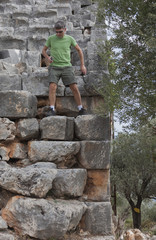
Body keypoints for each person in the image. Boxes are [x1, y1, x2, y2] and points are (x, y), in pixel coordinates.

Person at [42, 20, 87, 116]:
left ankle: (80, 108)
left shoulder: (70, 39)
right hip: (54, 67)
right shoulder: (51, 39)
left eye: (60, 32)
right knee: (52, 86)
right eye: (56, 32)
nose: (58, 34)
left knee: (74, 87)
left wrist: (82, 65)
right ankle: (52, 109)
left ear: (65, 30)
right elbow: (43, 50)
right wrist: (47, 57)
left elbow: (79, 50)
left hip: (67, 66)